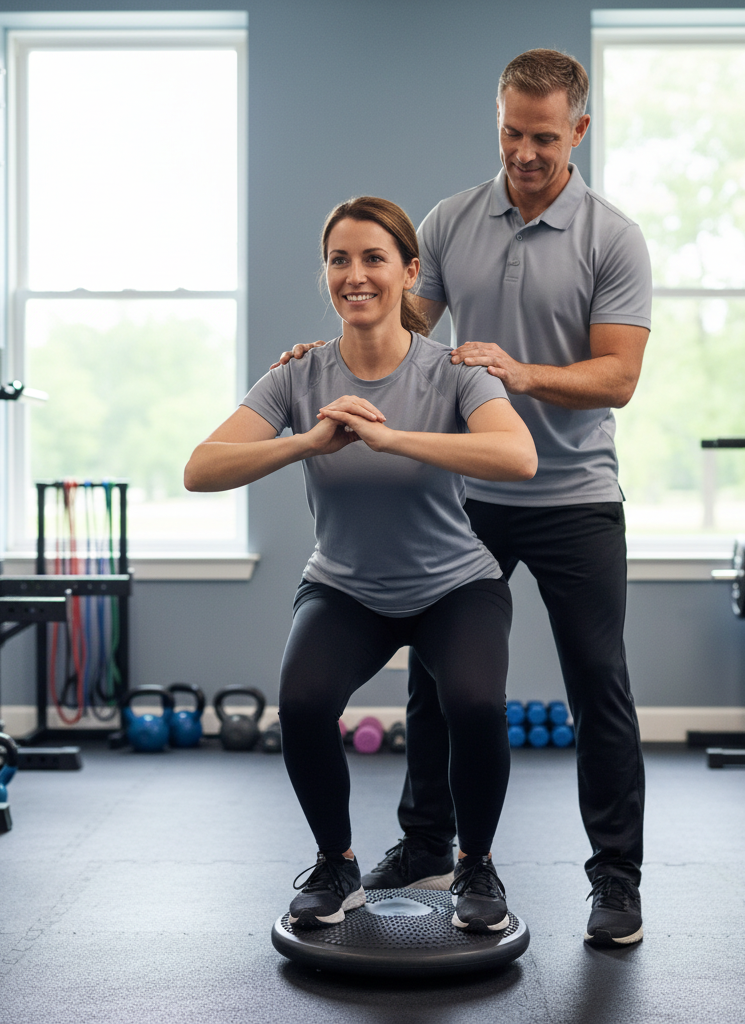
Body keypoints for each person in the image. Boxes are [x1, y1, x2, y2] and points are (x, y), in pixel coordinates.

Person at [277, 49, 652, 948]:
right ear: (498, 120)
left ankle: (614, 880)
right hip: (468, 489)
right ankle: (428, 845)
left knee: (598, 683)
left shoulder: (611, 236)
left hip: (572, 494)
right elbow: (400, 331)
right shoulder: (448, 221)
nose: (524, 152)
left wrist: (523, 374)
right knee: (441, 680)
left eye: (545, 137)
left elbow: (620, 376)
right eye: (511, 132)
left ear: (579, 132)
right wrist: (320, 357)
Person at [184, 196, 537, 932]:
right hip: (346, 587)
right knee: (304, 703)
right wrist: (308, 444)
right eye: (339, 259)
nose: (356, 275)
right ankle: (336, 863)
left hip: (454, 586)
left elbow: (517, 456)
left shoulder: (455, 370)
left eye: (374, 258)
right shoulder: (298, 376)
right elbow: (202, 467)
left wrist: (393, 438)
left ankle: (475, 866)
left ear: (409, 272)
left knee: (474, 705)